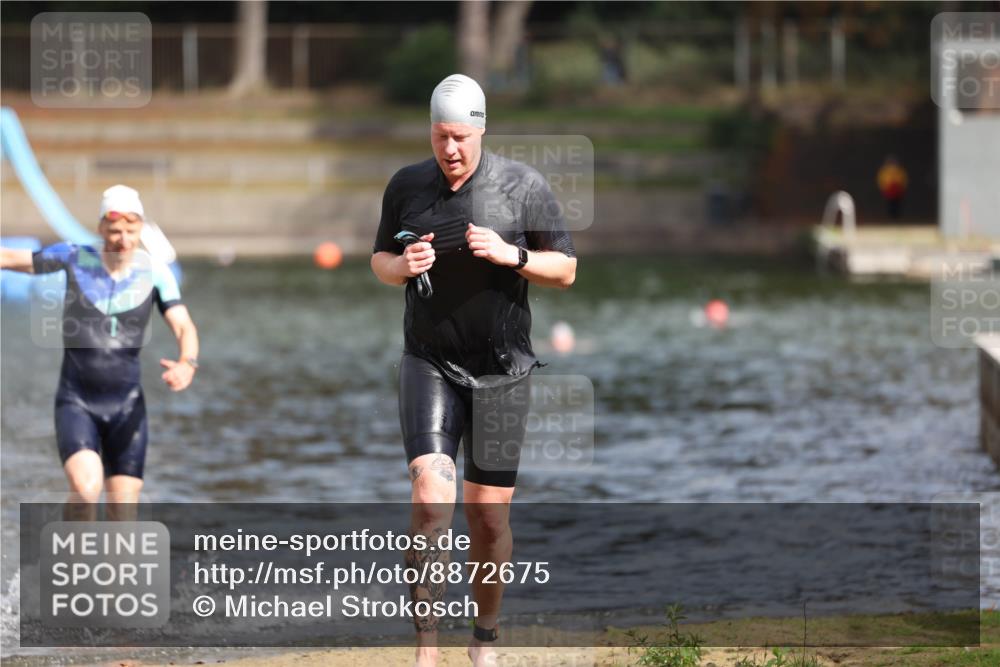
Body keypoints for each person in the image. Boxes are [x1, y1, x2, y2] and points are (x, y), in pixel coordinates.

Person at [371, 73, 577, 667]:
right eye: (440, 137)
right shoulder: (407, 186)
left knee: (487, 519)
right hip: (429, 360)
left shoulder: (523, 186)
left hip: (503, 370)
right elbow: (379, 260)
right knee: (431, 495)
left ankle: (484, 638)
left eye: (460, 136)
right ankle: (426, 648)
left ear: (482, 129)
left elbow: (565, 269)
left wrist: (512, 255)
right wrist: (401, 265)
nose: (450, 149)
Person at [0, 185, 199, 519]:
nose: (122, 238)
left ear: (141, 229)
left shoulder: (156, 274)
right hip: (77, 401)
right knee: (85, 490)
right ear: (101, 228)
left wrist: (187, 362)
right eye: (115, 230)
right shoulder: (76, 258)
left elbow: (184, 326)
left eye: (130, 230)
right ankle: (69, 565)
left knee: (123, 513)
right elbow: (8, 258)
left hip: (127, 407)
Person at [877, 155, 908, 220]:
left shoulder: (896, 170)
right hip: (890, 190)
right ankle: (892, 217)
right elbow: (882, 179)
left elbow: (903, 179)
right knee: (892, 204)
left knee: (895, 204)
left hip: (895, 190)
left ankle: (894, 217)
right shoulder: (887, 170)